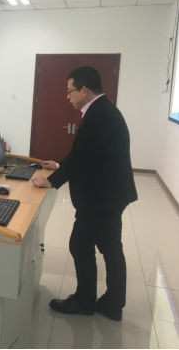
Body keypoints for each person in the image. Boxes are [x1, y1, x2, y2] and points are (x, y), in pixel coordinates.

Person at [32, 66, 138, 322]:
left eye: (70, 91)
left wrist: (51, 181)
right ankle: (113, 304)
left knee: (80, 244)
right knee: (110, 247)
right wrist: (60, 165)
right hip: (111, 193)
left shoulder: (99, 115)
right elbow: (86, 152)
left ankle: (84, 301)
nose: (67, 96)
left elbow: (83, 156)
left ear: (84, 90)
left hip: (102, 197)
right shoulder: (102, 110)